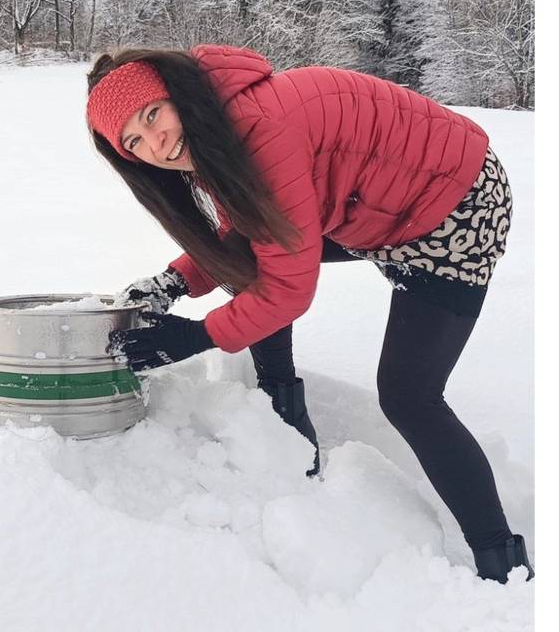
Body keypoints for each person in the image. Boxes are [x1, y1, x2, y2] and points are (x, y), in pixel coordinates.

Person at [85, 44, 532, 584]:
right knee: (253, 260)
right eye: (133, 140)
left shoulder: (261, 131)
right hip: (383, 203)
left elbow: (287, 290)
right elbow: (250, 234)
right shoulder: (221, 127)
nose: (155, 143)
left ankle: (502, 566)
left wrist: (195, 337)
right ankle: (285, 422)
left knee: (410, 395)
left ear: (178, 95)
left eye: (153, 114)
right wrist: (177, 280)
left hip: (456, 206)